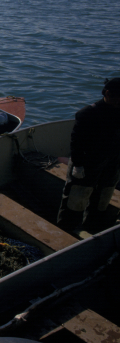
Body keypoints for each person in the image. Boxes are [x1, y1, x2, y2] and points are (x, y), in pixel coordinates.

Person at [57, 78, 120, 235]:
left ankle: (92, 228)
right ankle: (67, 230)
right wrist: (77, 165)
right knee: (75, 199)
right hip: (86, 163)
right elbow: (76, 142)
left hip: (112, 162)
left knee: (103, 197)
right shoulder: (87, 114)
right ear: (107, 93)